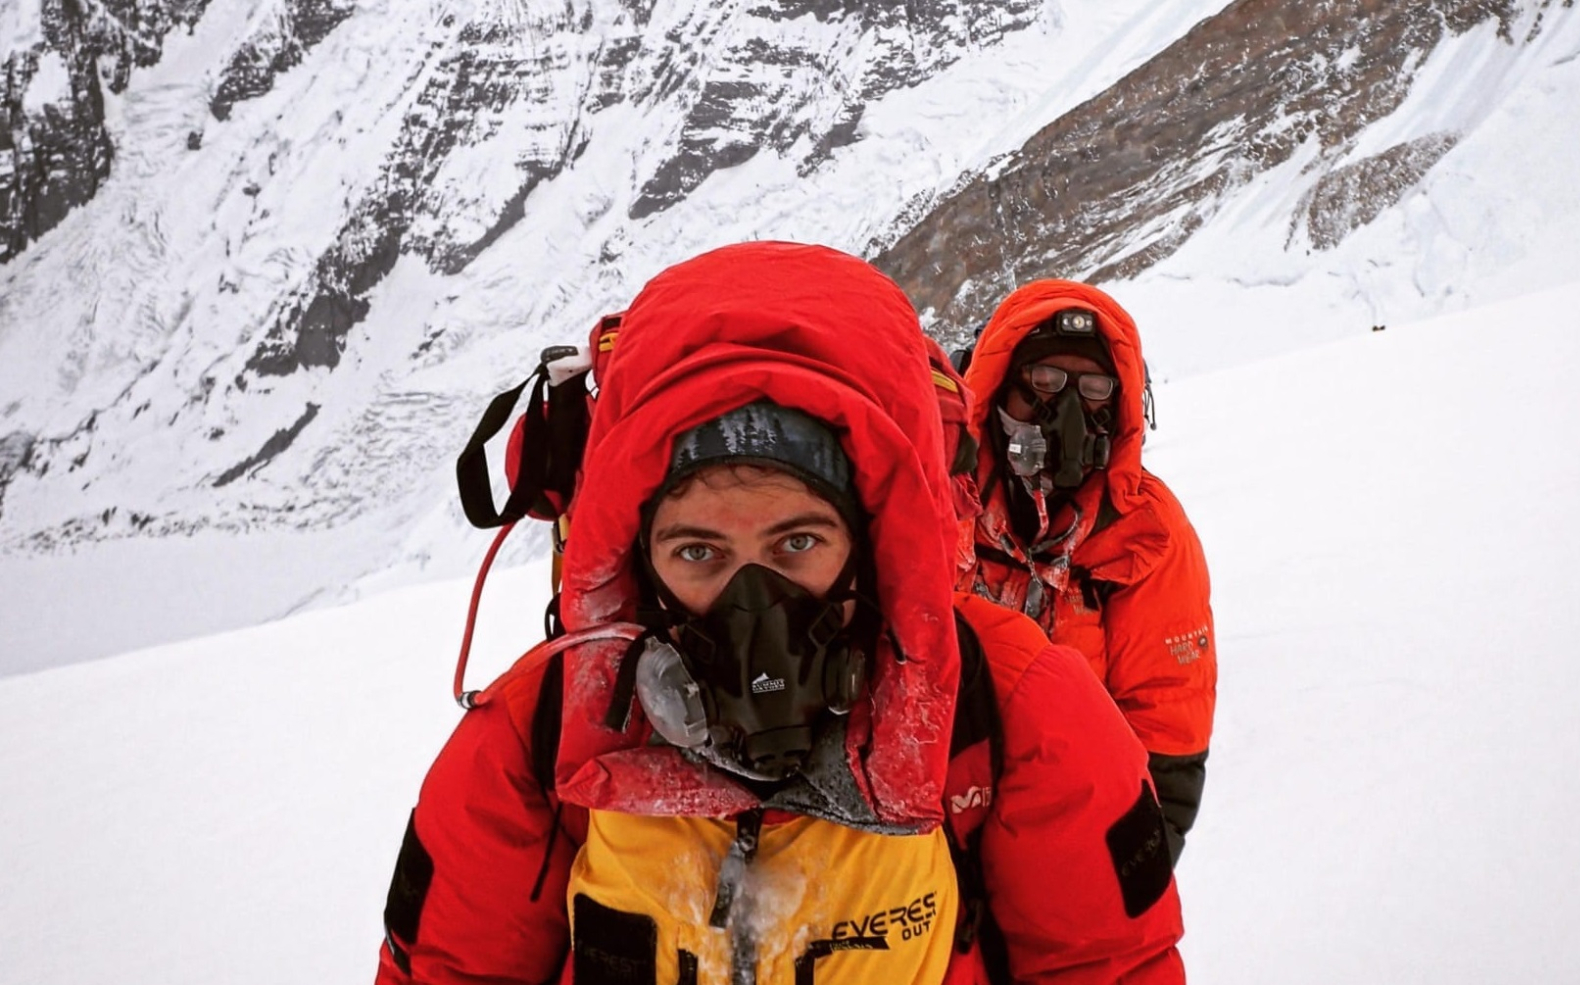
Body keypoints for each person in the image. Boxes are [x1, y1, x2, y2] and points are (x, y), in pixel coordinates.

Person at [375, 243, 1185, 984]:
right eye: (698, 552)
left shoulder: (1016, 708)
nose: (750, 600)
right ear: (636, 551)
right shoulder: (540, 730)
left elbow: (1114, 966)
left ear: (872, 538)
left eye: (797, 541)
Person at [955, 280, 1216, 864]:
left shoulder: (1145, 536)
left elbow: (1166, 731)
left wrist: (1120, 879)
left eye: (1095, 389)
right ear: (996, 387)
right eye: (1043, 381)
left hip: (1067, 844)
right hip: (929, 844)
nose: (1067, 410)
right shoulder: (936, 506)